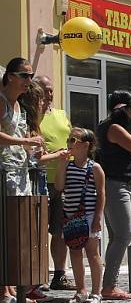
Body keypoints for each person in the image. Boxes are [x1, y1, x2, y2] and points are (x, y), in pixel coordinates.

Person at [96, 90, 131, 300]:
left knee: (116, 237)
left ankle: (109, 283)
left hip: (117, 185)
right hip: (115, 185)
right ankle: (109, 286)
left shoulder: (109, 126)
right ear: (124, 109)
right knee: (124, 235)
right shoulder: (114, 127)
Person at [0, 58, 46, 303]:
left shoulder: (19, 105)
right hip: (3, 172)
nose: (29, 80)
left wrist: (32, 146)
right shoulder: (2, 101)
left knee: (15, 232)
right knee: (5, 232)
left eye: (31, 76)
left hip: (19, 172)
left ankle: (12, 288)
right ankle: (4, 291)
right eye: (24, 76)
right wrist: (22, 144)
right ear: (10, 77)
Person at [33, 75, 75, 291]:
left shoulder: (60, 114)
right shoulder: (32, 115)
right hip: (40, 179)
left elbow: (69, 137)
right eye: (44, 90)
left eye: (51, 90)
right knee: (38, 231)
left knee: (60, 230)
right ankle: (38, 276)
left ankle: (59, 274)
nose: (49, 94)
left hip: (62, 178)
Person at [55, 128, 105, 303]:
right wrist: (61, 164)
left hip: (89, 214)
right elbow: (60, 186)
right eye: (68, 140)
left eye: (73, 140)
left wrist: (98, 218)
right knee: (75, 252)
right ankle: (80, 291)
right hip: (70, 215)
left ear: (85, 145)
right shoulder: (68, 166)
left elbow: (101, 194)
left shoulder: (94, 167)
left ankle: (96, 293)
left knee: (92, 253)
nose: (69, 144)